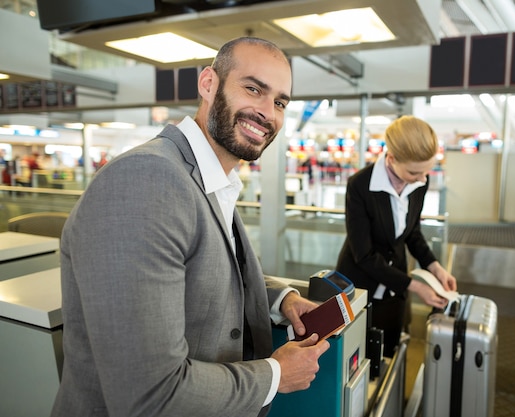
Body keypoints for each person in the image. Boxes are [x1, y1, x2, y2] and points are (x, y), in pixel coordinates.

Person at [51, 37, 330, 417]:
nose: (268, 112)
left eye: (280, 102)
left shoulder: (207, 179)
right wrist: (275, 375)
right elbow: (150, 395)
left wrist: (283, 300)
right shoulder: (145, 180)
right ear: (208, 84)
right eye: (253, 89)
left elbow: (207, 271)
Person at [335, 115, 457, 358]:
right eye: (414, 172)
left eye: (426, 172)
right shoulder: (360, 185)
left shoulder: (419, 181)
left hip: (395, 289)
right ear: (391, 158)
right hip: (360, 287)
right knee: (357, 358)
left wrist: (435, 268)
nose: (422, 179)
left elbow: (412, 232)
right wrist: (415, 287)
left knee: (388, 350)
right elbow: (364, 255)